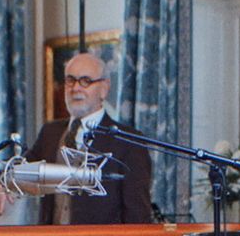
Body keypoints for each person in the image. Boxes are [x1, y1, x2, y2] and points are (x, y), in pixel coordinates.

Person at [13, 52, 154, 225]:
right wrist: (4, 183)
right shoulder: (50, 133)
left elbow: (138, 216)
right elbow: (21, 170)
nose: (75, 88)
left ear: (104, 88)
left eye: (85, 81)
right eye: (70, 80)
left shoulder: (129, 142)